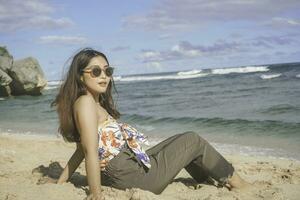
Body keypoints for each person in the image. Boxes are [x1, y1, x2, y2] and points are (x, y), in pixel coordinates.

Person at [50, 48, 250, 200]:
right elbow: (90, 152)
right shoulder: (85, 102)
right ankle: (238, 183)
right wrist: (96, 194)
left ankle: (207, 181)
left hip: (128, 168)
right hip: (130, 177)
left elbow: (80, 151)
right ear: (80, 75)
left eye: (107, 70)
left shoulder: (91, 102)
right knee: (192, 140)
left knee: (182, 142)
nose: (104, 76)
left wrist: (59, 182)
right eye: (95, 71)